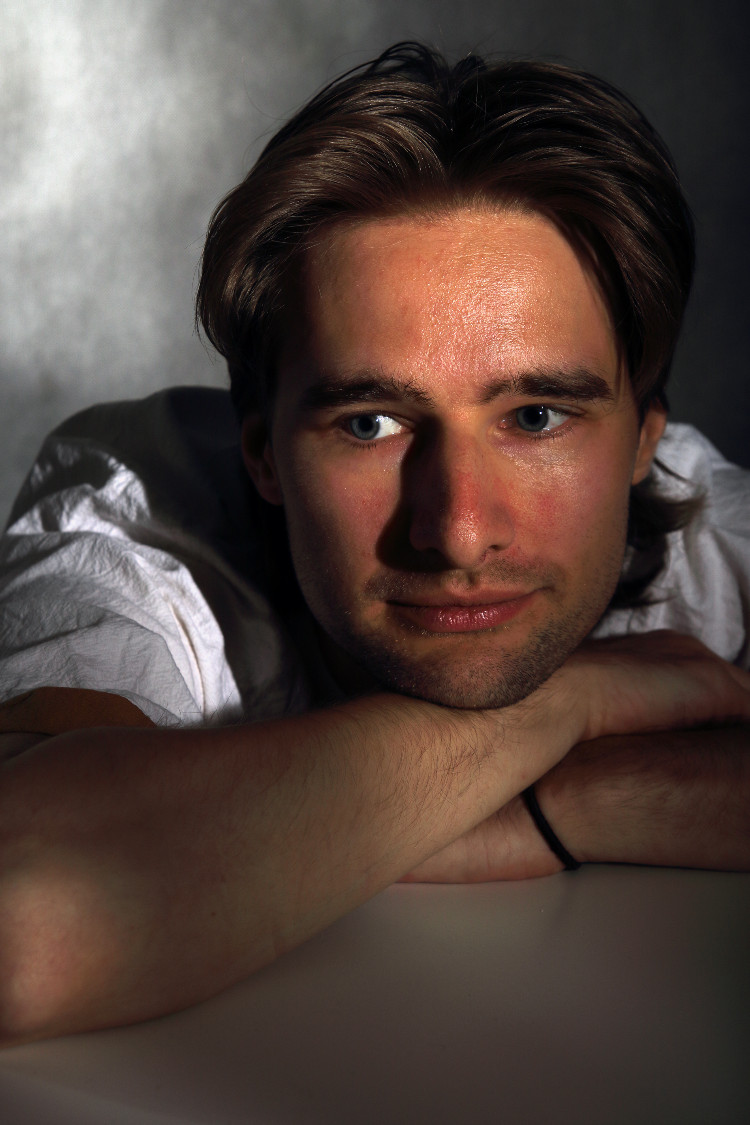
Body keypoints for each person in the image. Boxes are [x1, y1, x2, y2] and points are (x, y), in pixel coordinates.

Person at [0, 42, 748, 1047]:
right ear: (263, 454)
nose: (458, 530)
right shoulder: (135, 522)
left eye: (536, 418)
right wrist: (567, 730)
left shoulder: (723, 537)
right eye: (370, 424)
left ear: (644, 441)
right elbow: (21, 917)